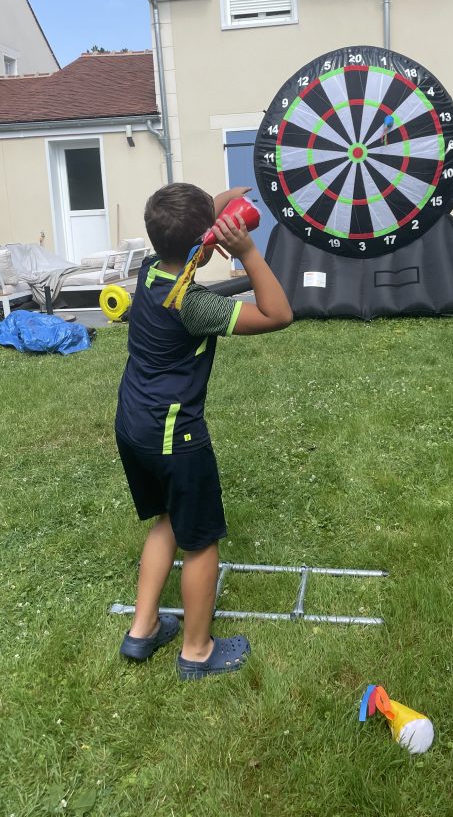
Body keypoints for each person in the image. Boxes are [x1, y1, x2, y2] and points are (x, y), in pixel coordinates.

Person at [115, 182, 292, 680]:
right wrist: (248, 251)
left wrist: (216, 209)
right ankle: (196, 650)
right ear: (204, 242)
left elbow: (188, 230)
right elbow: (279, 314)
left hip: (132, 423)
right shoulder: (192, 305)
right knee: (200, 541)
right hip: (175, 436)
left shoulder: (150, 271)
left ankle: (143, 629)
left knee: (166, 520)